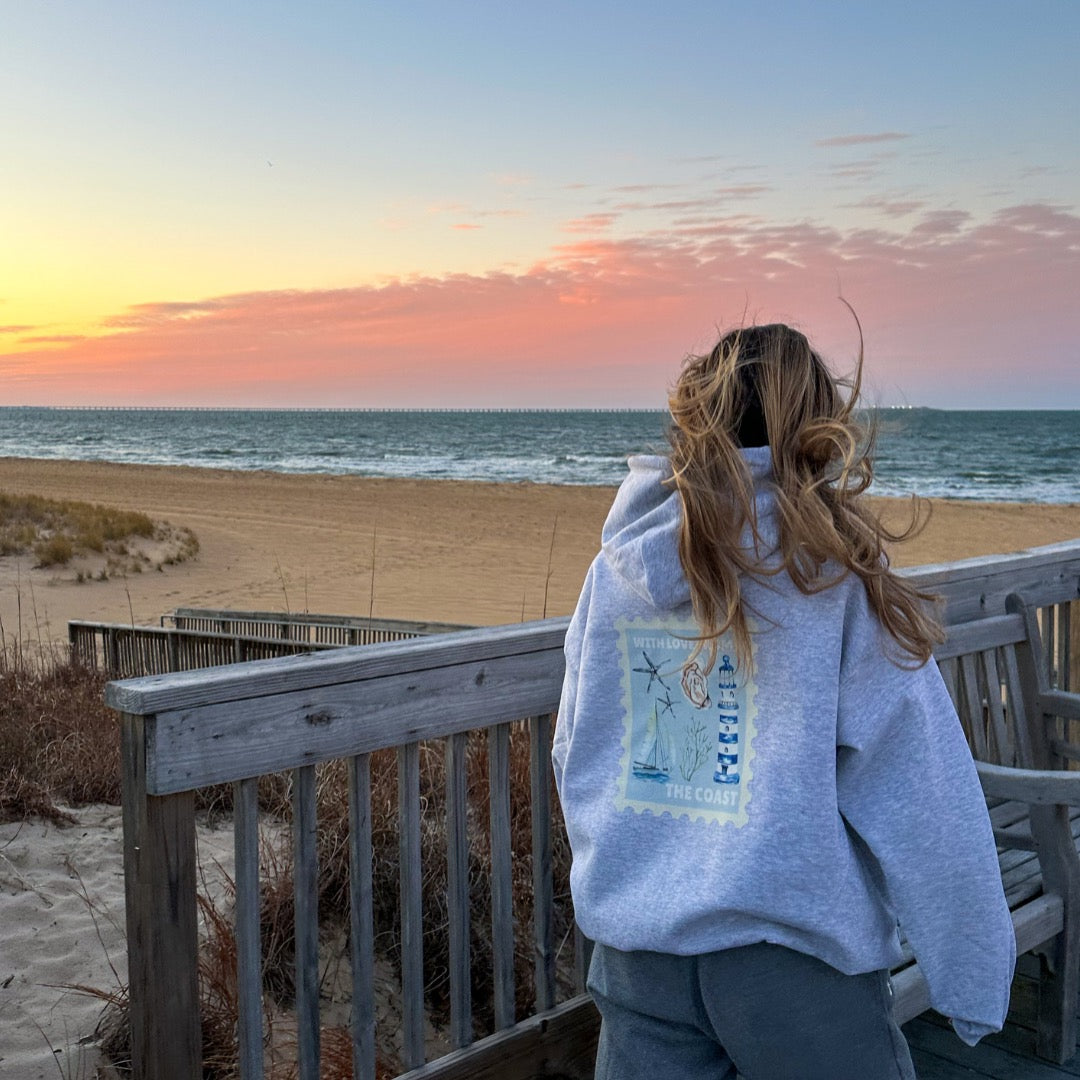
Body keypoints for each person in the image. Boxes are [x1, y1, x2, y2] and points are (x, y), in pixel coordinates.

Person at [551, 322, 1015, 1080]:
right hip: (790, 963)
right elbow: (920, 789)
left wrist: (622, 870)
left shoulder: (618, 570)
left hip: (639, 956)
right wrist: (974, 976)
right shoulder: (830, 580)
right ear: (817, 420)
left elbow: (576, 749)